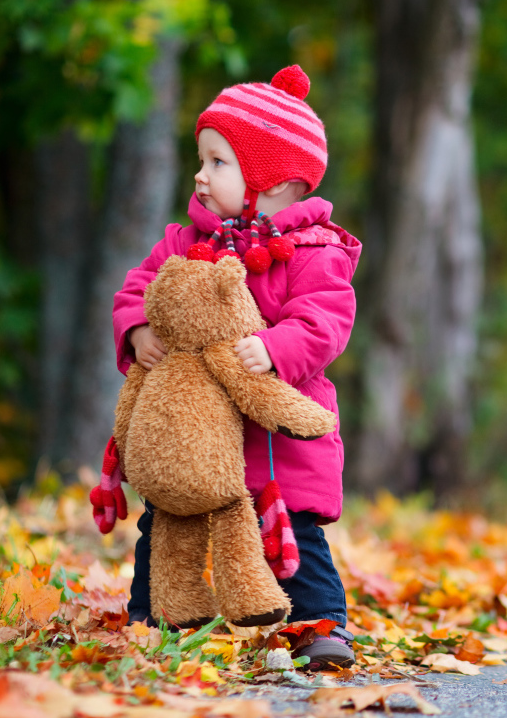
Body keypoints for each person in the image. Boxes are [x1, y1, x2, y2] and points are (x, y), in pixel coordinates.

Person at [111, 65, 361, 671]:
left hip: (279, 441)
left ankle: (318, 627)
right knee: (165, 522)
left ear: (275, 182)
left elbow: (326, 319)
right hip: (195, 436)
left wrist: (277, 350)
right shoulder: (184, 243)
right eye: (202, 159)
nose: (200, 174)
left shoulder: (313, 252)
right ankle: (154, 618)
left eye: (219, 162)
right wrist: (138, 329)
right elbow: (137, 289)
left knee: (293, 537)